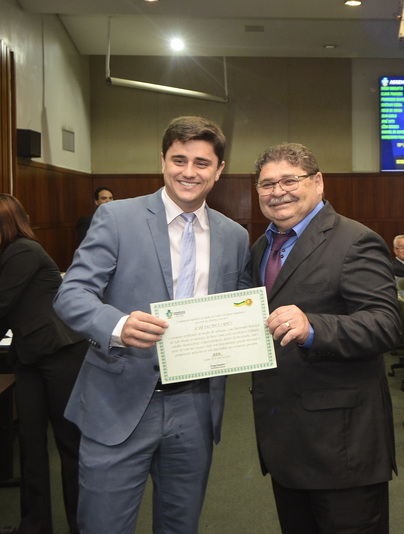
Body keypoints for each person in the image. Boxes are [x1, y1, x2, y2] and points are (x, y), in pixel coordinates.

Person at [53, 116, 251, 534]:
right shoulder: (116, 217)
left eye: (201, 163)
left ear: (218, 170)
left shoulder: (234, 236)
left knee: (181, 526)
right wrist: (117, 324)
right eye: (179, 160)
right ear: (162, 161)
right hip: (117, 402)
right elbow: (71, 294)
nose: (188, 172)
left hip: (195, 408)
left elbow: (239, 309)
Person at [250, 142, 400, 533]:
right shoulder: (261, 247)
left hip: (343, 447)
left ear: (317, 182)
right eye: (267, 184)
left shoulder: (355, 240)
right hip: (285, 442)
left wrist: (313, 326)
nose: (277, 192)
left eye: (289, 180)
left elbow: (385, 324)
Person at [0, 194, 89, 534]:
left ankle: (82, 524)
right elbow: (6, 315)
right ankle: (35, 524)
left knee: (69, 445)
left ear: (3, 224)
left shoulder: (23, 251)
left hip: (61, 355)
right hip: (30, 358)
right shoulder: (5, 256)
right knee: (31, 444)